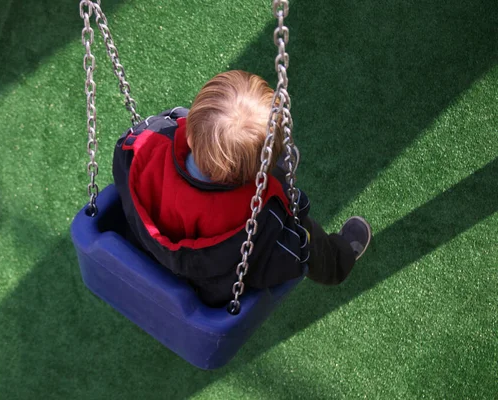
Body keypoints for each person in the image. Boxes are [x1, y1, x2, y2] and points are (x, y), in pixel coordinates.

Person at [112, 70, 371, 307]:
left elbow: (140, 141)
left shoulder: (141, 146)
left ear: (190, 134)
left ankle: (258, 155)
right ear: (250, 174)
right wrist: (298, 219)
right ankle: (339, 260)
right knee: (304, 234)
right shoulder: (261, 216)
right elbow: (288, 257)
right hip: (211, 288)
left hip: (150, 249)